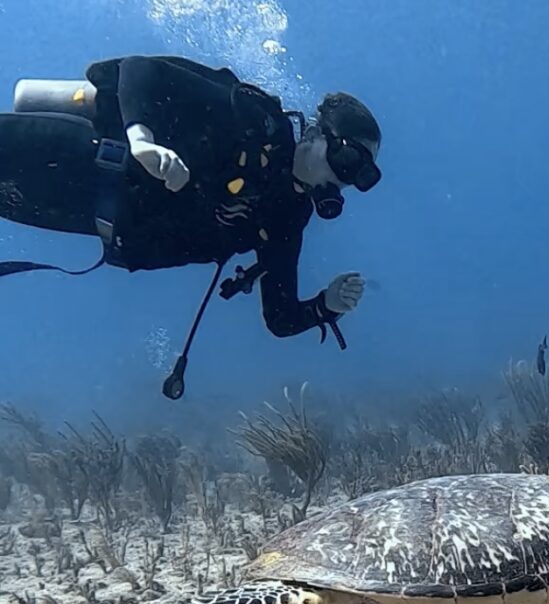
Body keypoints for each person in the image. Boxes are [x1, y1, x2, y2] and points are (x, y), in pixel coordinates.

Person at [0, 55, 382, 398]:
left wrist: (325, 307)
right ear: (316, 134)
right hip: (83, 152)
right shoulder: (255, 123)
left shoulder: (287, 217)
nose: (346, 177)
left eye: (361, 176)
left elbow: (280, 318)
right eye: (347, 158)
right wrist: (141, 139)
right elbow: (141, 70)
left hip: (86, 217)